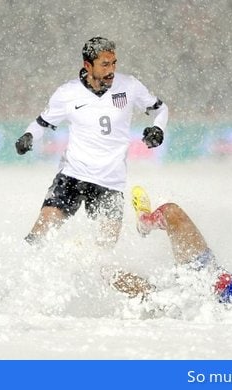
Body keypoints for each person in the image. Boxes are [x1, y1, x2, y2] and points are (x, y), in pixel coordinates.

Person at [14, 37, 168, 246]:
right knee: (37, 238)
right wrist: (28, 136)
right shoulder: (67, 93)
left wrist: (158, 129)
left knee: (104, 256)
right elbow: (41, 124)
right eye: (104, 64)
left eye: (113, 63)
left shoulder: (129, 86)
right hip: (72, 176)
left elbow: (161, 109)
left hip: (111, 182)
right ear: (88, 65)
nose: (111, 69)